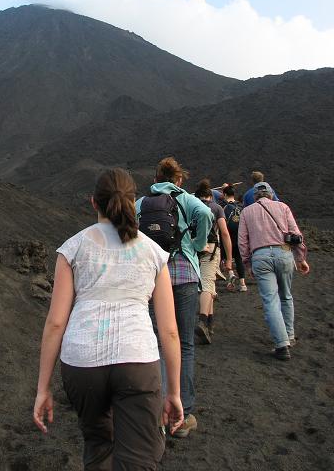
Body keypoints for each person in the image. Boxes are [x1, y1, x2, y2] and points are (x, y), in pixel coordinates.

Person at [33, 167, 184, 468]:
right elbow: (169, 331)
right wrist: (174, 392)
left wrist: (43, 388)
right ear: (132, 202)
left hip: (82, 364)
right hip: (137, 361)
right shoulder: (153, 253)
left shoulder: (73, 248)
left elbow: (56, 323)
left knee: (98, 446)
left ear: (94, 203)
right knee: (139, 456)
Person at [136, 157, 213, 439]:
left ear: (156, 178)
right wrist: (197, 243)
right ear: (179, 179)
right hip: (184, 273)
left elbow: (129, 229)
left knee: (157, 341)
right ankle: (184, 413)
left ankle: (157, 410)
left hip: (154, 275)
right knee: (185, 343)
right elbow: (206, 213)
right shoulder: (187, 200)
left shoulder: (142, 203)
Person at [238, 182, 310, 361]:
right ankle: (290, 336)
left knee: (270, 300)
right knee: (286, 296)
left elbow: (242, 242)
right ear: (271, 194)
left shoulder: (246, 212)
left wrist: (247, 263)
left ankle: (281, 345)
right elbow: (296, 234)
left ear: (255, 196)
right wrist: (301, 258)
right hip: (284, 253)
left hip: (260, 257)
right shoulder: (283, 207)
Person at [193, 179, 233, 344]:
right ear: (211, 195)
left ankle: (209, 323)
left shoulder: (191, 207)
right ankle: (203, 320)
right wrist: (229, 259)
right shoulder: (216, 208)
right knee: (207, 285)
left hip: (193, 249)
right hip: (210, 249)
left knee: (206, 285)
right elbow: (224, 233)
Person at [222, 184, 247, 292]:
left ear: (224, 194)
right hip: (239, 236)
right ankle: (243, 284)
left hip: (228, 236)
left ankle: (231, 273)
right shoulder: (241, 206)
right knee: (239, 259)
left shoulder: (224, 207)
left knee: (226, 257)